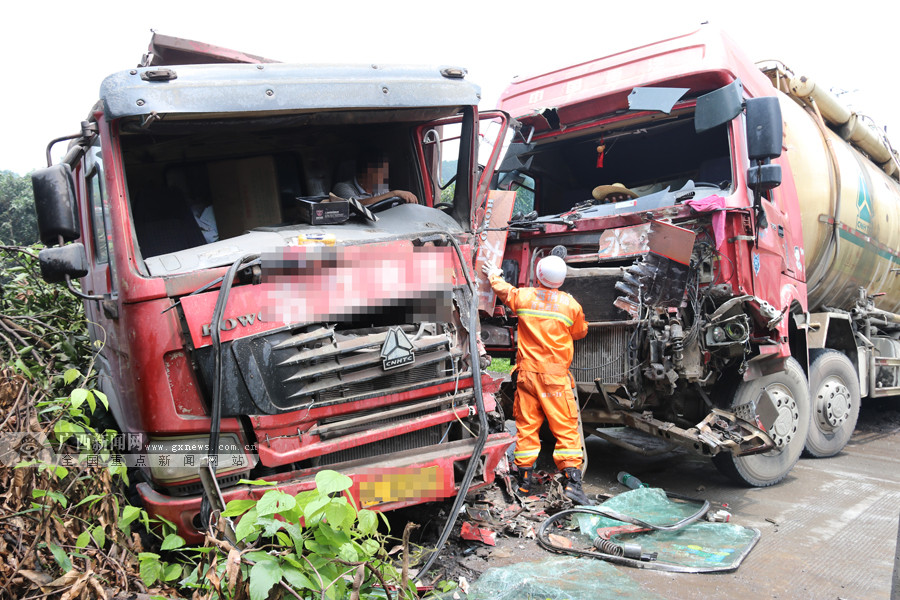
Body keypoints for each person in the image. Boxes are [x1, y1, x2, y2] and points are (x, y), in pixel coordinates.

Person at [482, 255, 592, 505]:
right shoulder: (569, 304)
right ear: (561, 279)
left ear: (538, 274)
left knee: (527, 426)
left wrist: (493, 275)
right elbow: (579, 331)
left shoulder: (525, 296)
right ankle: (573, 483)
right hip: (554, 377)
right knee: (564, 427)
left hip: (527, 375)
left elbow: (504, 291)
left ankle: (522, 483)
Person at [331, 149, 418, 206]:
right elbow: (357, 205)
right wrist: (394, 194)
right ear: (367, 172)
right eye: (381, 172)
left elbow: (391, 203)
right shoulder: (342, 187)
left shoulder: (381, 189)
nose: (385, 175)